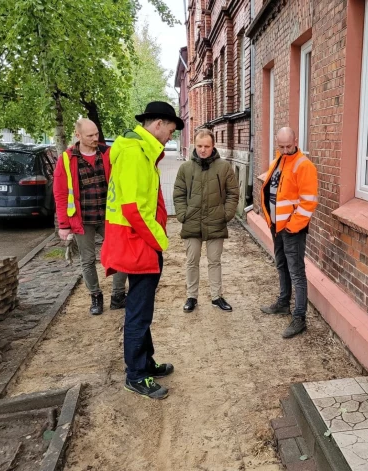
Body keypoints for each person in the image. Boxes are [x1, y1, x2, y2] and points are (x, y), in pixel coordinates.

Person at [101, 101, 183, 399]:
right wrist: (160, 241)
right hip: (138, 242)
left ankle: (145, 363)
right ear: (157, 124)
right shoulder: (136, 153)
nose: (170, 137)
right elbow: (134, 208)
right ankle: (136, 375)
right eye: (170, 131)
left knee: (142, 309)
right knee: (138, 312)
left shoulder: (135, 149)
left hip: (135, 240)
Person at [53, 118, 127, 315]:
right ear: (78, 136)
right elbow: (60, 193)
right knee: (87, 259)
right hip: (82, 218)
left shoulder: (107, 153)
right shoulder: (67, 159)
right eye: (90, 135)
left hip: (109, 217)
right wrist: (63, 224)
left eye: (96, 134)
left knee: (121, 254)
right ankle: (95, 296)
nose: (96, 138)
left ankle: (118, 295)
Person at [259, 127, 318, 338]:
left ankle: (299, 317)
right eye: (281, 146)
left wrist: (293, 227)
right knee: (282, 265)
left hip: (292, 229)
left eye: (288, 146)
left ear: (296, 141)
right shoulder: (279, 161)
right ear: (277, 142)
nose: (285, 150)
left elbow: (309, 201)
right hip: (277, 226)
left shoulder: (304, 165)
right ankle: (284, 303)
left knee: (297, 272)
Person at [173, 129, 239, 313]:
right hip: (192, 220)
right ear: (195, 145)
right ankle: (191, 296)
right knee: (192, 260)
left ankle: (216, 296)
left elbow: (233, 193)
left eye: (207, 146)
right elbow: (178, 193)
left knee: (214, 260)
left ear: (213, 146)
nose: (203, 150)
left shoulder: (223, 167)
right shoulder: (185, 168)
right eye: (200, 146)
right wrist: (182, 215)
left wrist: (226, 214)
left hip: (216, 221)